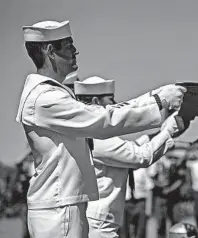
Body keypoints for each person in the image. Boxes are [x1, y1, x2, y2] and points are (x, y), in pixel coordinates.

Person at [17, 19, 186, 238]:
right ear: (50, 51)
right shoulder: (46, 98)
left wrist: (156, 97)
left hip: (64, 206)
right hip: (59, 210)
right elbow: (103, 119)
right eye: (68, 46)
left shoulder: (50, 95)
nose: (75, 51)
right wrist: (160, 103)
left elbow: (107, 113)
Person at [74, 76, 181, 238]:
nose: (115, 104)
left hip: (98, 220)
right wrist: (170, 129)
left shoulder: (89, 133)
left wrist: (164, 130)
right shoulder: (97, 138)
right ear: (96, 101)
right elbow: (141, 156)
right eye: (110, 99)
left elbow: (134, 147)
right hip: (99, 224)